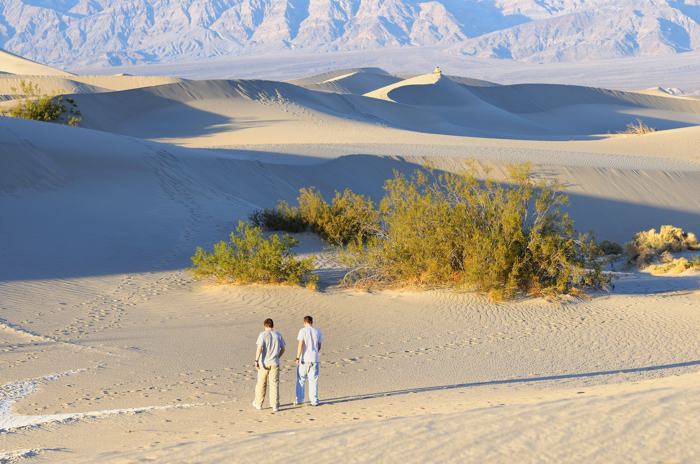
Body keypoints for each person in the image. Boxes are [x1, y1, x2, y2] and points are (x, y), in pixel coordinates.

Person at [253, 318, 285, 412]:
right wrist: (277, 357)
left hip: (264, 363)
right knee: (274, 384)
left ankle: (258, 404)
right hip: (275, 363)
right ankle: (275, 405)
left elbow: (259, 348)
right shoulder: (278, 334)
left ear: (265, 326)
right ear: (272, 325)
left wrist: (256, 360)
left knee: (261, 384)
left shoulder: (263, 334)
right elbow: (283, 349)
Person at [295, 315, 323, 406]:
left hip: (304, 359)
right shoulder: (317, 331)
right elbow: (319, 345)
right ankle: (314, 400)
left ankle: (299, 399)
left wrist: (298, 357)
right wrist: (315, 352)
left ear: (304, 322)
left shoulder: (302, 331)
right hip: (314, 359)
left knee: (301, 379)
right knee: (313, 380)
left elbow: (300, 344)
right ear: (311, 322)